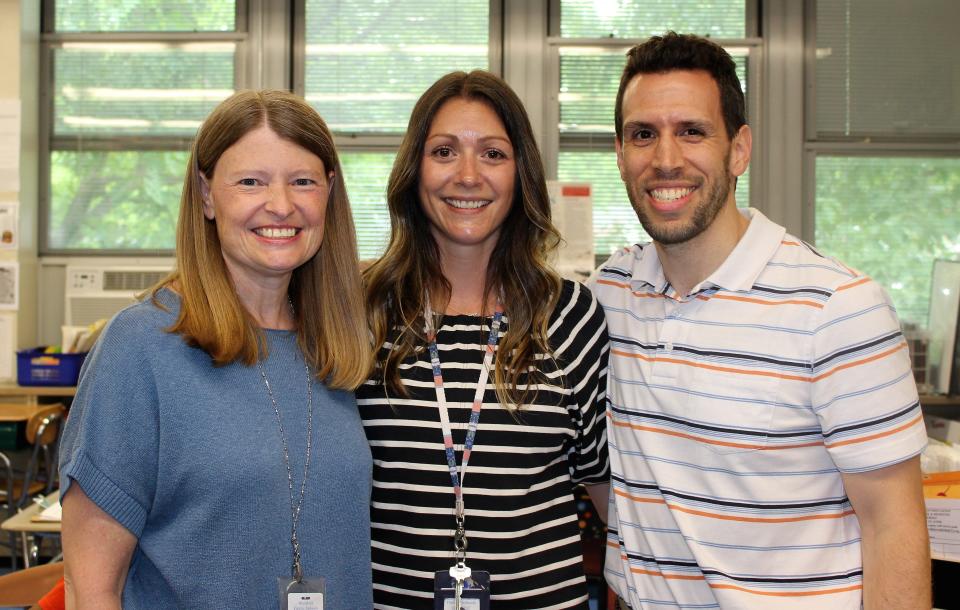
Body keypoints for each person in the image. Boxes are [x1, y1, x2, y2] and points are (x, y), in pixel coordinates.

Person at [591, 32, 931, 609]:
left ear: (739, 150)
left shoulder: (838, 307)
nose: (665, 158)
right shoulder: (610, 294)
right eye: (643, 134)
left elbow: (893, 529)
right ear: (621, 153)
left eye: (692, 131)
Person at [58, 90, 374, 609]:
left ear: (330, 193)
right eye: (250, 181)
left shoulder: (339, 348)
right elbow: (91, 588)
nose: (281, 204)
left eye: (303, 181)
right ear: (206, 195)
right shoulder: (140, 347)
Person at [359, 70, 611, 609]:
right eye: (444, 151)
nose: (468, 176)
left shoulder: (568, 315)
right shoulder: (363, 310)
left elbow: (606, 489)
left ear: (521, 173)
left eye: (493, 154)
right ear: (414, 169)